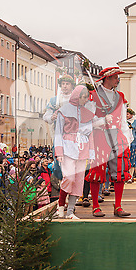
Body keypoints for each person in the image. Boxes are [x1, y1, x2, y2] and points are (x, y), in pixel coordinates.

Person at [86, 67, 132, 218]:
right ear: (107, 78)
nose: (118, 80)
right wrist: (101, 120)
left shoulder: (120, 96)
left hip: (117, 135)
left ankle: (118, 205)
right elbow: (87, 121)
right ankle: (95, 206)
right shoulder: (93, 96)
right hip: (99, 135)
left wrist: (126, 138)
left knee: (120, 170)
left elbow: (123, 120)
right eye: (115, 77)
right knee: (97, 171)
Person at [54, 85, 95, 219]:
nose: (85, 100)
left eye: (86, 97)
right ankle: (61, 206)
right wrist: (59, 152)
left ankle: (70, 211)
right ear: (77, 96)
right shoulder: (63, 111)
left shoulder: (87, 113)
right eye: (83, 97)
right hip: (68, 147)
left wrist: (92, 154)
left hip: (83, 149)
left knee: (78, 182)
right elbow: (58, 132)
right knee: (69, 178)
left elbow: (91, 135)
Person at [43, 73, 76, 211]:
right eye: (62, 84)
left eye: (67, 84)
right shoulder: (55, 100)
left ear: (72, 86)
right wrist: (52, 116)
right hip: (59, 138)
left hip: (73, 139)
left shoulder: (76, 100)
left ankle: (69, 198)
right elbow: (46, 115)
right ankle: (64, 195)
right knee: (58, 167)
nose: (64, 86)